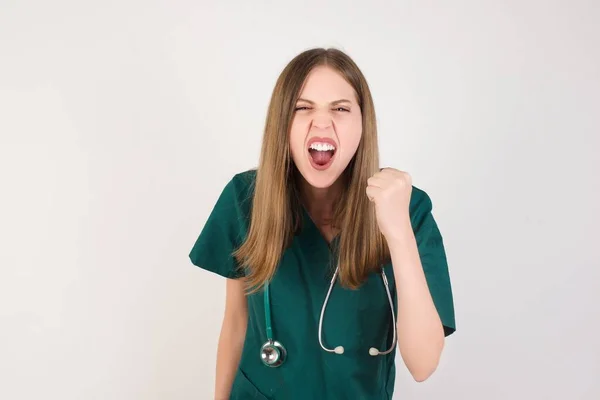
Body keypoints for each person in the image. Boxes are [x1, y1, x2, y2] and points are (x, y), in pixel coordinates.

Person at [189, 47, 456, 400]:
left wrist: (398, 232)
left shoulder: (407, 207)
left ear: (363, 123)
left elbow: (423, 364)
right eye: (303, 108)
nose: (322, 122)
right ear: (282, 122)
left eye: (341, 109)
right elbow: (236, 322)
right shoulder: (246, 198)